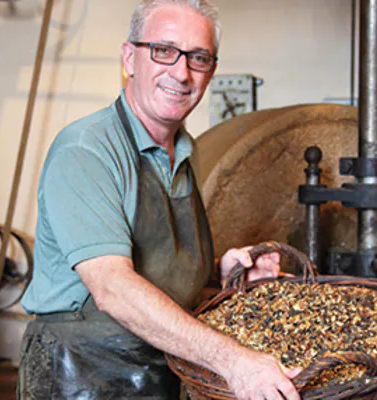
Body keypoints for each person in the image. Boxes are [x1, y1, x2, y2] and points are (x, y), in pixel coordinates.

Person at [17, 1, 302, 399]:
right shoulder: (87, 149)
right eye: (163, 51)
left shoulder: (187, 153)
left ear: (211, 71)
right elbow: (112, 286)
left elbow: (156, 263)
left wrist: (222, 274)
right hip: (81, 375)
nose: (181, 73)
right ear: (129, 58)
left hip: (159, 369)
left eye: (198, 58)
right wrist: (234, 360)